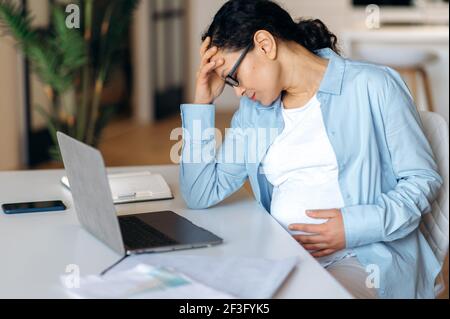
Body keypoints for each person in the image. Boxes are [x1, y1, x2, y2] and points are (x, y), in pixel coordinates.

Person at [179, 0, 442, 299]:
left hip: (362, 258)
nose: (237, 91)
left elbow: (422, 180)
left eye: (234, 78)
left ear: (264, 45)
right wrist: (202, 103)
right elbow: (200, 193)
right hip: (282, 256)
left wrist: (352, 227)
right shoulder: (254, 113)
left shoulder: (372, 85)